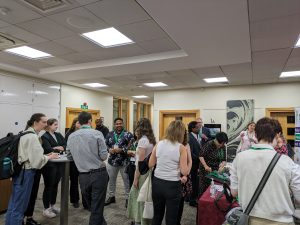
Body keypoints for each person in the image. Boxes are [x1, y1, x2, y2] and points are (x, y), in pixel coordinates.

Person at [230, 117, 300, 224]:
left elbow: (234, 192)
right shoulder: (288, 163)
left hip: (250, 219)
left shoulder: (239, 158)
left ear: (256, 135)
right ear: (278, 135)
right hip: (281, 221)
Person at [5, 113, 59, 225]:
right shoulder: (33, 137)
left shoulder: (24, 133)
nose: (46, 125)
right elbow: (37, 162)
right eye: (43, 122)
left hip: (19, 172)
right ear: (35, 122)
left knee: (14, 203)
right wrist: (48, 156)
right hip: (26, 173)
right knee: (20, 205)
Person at [67, 111, 108, 225]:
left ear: (79, 122)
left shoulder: (71, 136)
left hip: (83, 176)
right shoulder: (97, 134)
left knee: (94, 207)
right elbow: (104, 156)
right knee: (97, 208)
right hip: (98, 174)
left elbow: (69, 156)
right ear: (90, 121)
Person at [149, 120, 189, 225]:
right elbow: (185, 171)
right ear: (181, 133)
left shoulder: (159, 144)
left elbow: (150, 164)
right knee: (171, 219)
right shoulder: (181, 148)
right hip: (172, 185)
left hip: (157, 183)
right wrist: (190, 163)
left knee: (157, 216)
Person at [127, 118, 156, 225]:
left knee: (139, 197)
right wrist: (136, 153)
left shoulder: (143, 140)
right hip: (149, 171)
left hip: (142, 173)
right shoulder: (151, 139)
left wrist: (135, 178)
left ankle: (139, 221)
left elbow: (141, 163)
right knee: (146, 197)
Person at [105, 118, 134, 207]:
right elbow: (105, 145)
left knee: (126, 181)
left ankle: (128, 199)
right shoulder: (109, 134)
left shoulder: (128, 134)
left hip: (124, 162)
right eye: (117, 124)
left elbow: (132, 147)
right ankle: (111, 196)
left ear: (123, 124)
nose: (119, 125)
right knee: (111, 180)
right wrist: (109, 149)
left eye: (120, 123)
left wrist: (122, 150)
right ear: (114, 125)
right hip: (112, 162)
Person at [41, 118, 66, 218]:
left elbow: (65, 144)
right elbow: (47, 149)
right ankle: (46, 208)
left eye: (57, 124)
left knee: (55, 185)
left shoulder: (58, 134)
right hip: (49, 164)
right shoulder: (44, 136)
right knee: (48, 186)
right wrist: (57, 148)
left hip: (59, 163)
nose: (57, 126)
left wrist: (57, 148)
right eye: (55, 124)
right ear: (49, 125)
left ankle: (52, 205)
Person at [198, 132, 228, 197]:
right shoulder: (209, 144)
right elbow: (201, 156)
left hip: (216, 170)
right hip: (206, 169)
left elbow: (224, 159)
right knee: (205, 188)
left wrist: (222, 165)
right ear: (216, 140)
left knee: (214, 187)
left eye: (223, 143)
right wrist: (205, 166)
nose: (221, 145)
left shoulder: (223, 146)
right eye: (220, 143)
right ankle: (202, 202)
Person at [65, 117, 85, 209]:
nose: (80, 125)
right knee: (74, 181)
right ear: (74, 124)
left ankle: (86, 201)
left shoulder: (84, 133)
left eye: (81, 123)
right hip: (73, 161)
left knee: (84, 182)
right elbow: (67, 147)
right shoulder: (69, 133)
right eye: (78, 123)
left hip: (83, 160)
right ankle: (74, 200)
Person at [177, 129, 192, 225]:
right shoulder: (171, 144)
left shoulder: (186, 145)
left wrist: (186, 175)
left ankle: (178, 221)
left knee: (181, 201)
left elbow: (190, 161)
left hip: (184, 175)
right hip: (173, 175)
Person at [187, 121, 201, 207]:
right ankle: (191, 200)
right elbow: (190, 153)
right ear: (193, 128)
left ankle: (193, 198)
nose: (199, 128)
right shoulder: (189, 137)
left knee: (195, 182)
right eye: (197, 127)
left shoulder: (196, 136)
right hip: (192, 164)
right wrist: (199, 158)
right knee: (193, 182)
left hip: (196, 164)